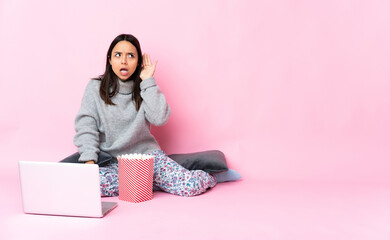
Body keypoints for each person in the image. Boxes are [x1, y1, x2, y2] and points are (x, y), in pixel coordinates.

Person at [73, 34, 217, 197]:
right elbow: (86, 127)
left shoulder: (145, 88)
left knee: (190, 186)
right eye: (118, 55)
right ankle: (149, 184)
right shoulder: (95, 88)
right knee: (86, 186)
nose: (124, 61)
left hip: (147, 159)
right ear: (110, 59)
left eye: (131, 56)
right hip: (113, 163)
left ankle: (212, 176)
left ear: (139, 62)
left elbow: (159, 118)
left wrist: (148, 81)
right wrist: (89, 163)